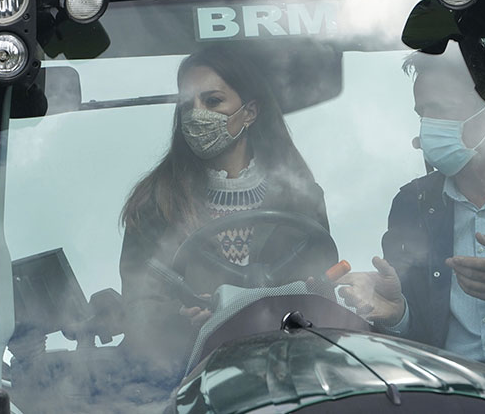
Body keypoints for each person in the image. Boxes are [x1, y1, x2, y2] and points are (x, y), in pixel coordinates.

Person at [338, 37, 485, 385]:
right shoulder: (410, 205)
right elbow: (416, 334)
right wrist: (398, 313)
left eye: (440, 111)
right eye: (422, 114)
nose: (427, 128)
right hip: (445, 393)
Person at [118, 44, 329, 386]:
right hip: (189, 380)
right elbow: (140, 306)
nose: (197, 115)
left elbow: (321, 289)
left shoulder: (302, 198)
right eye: (188, 106)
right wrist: (180, 321)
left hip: (290, 374)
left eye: (213, 101)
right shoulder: (154, 203)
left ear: (250, 112)